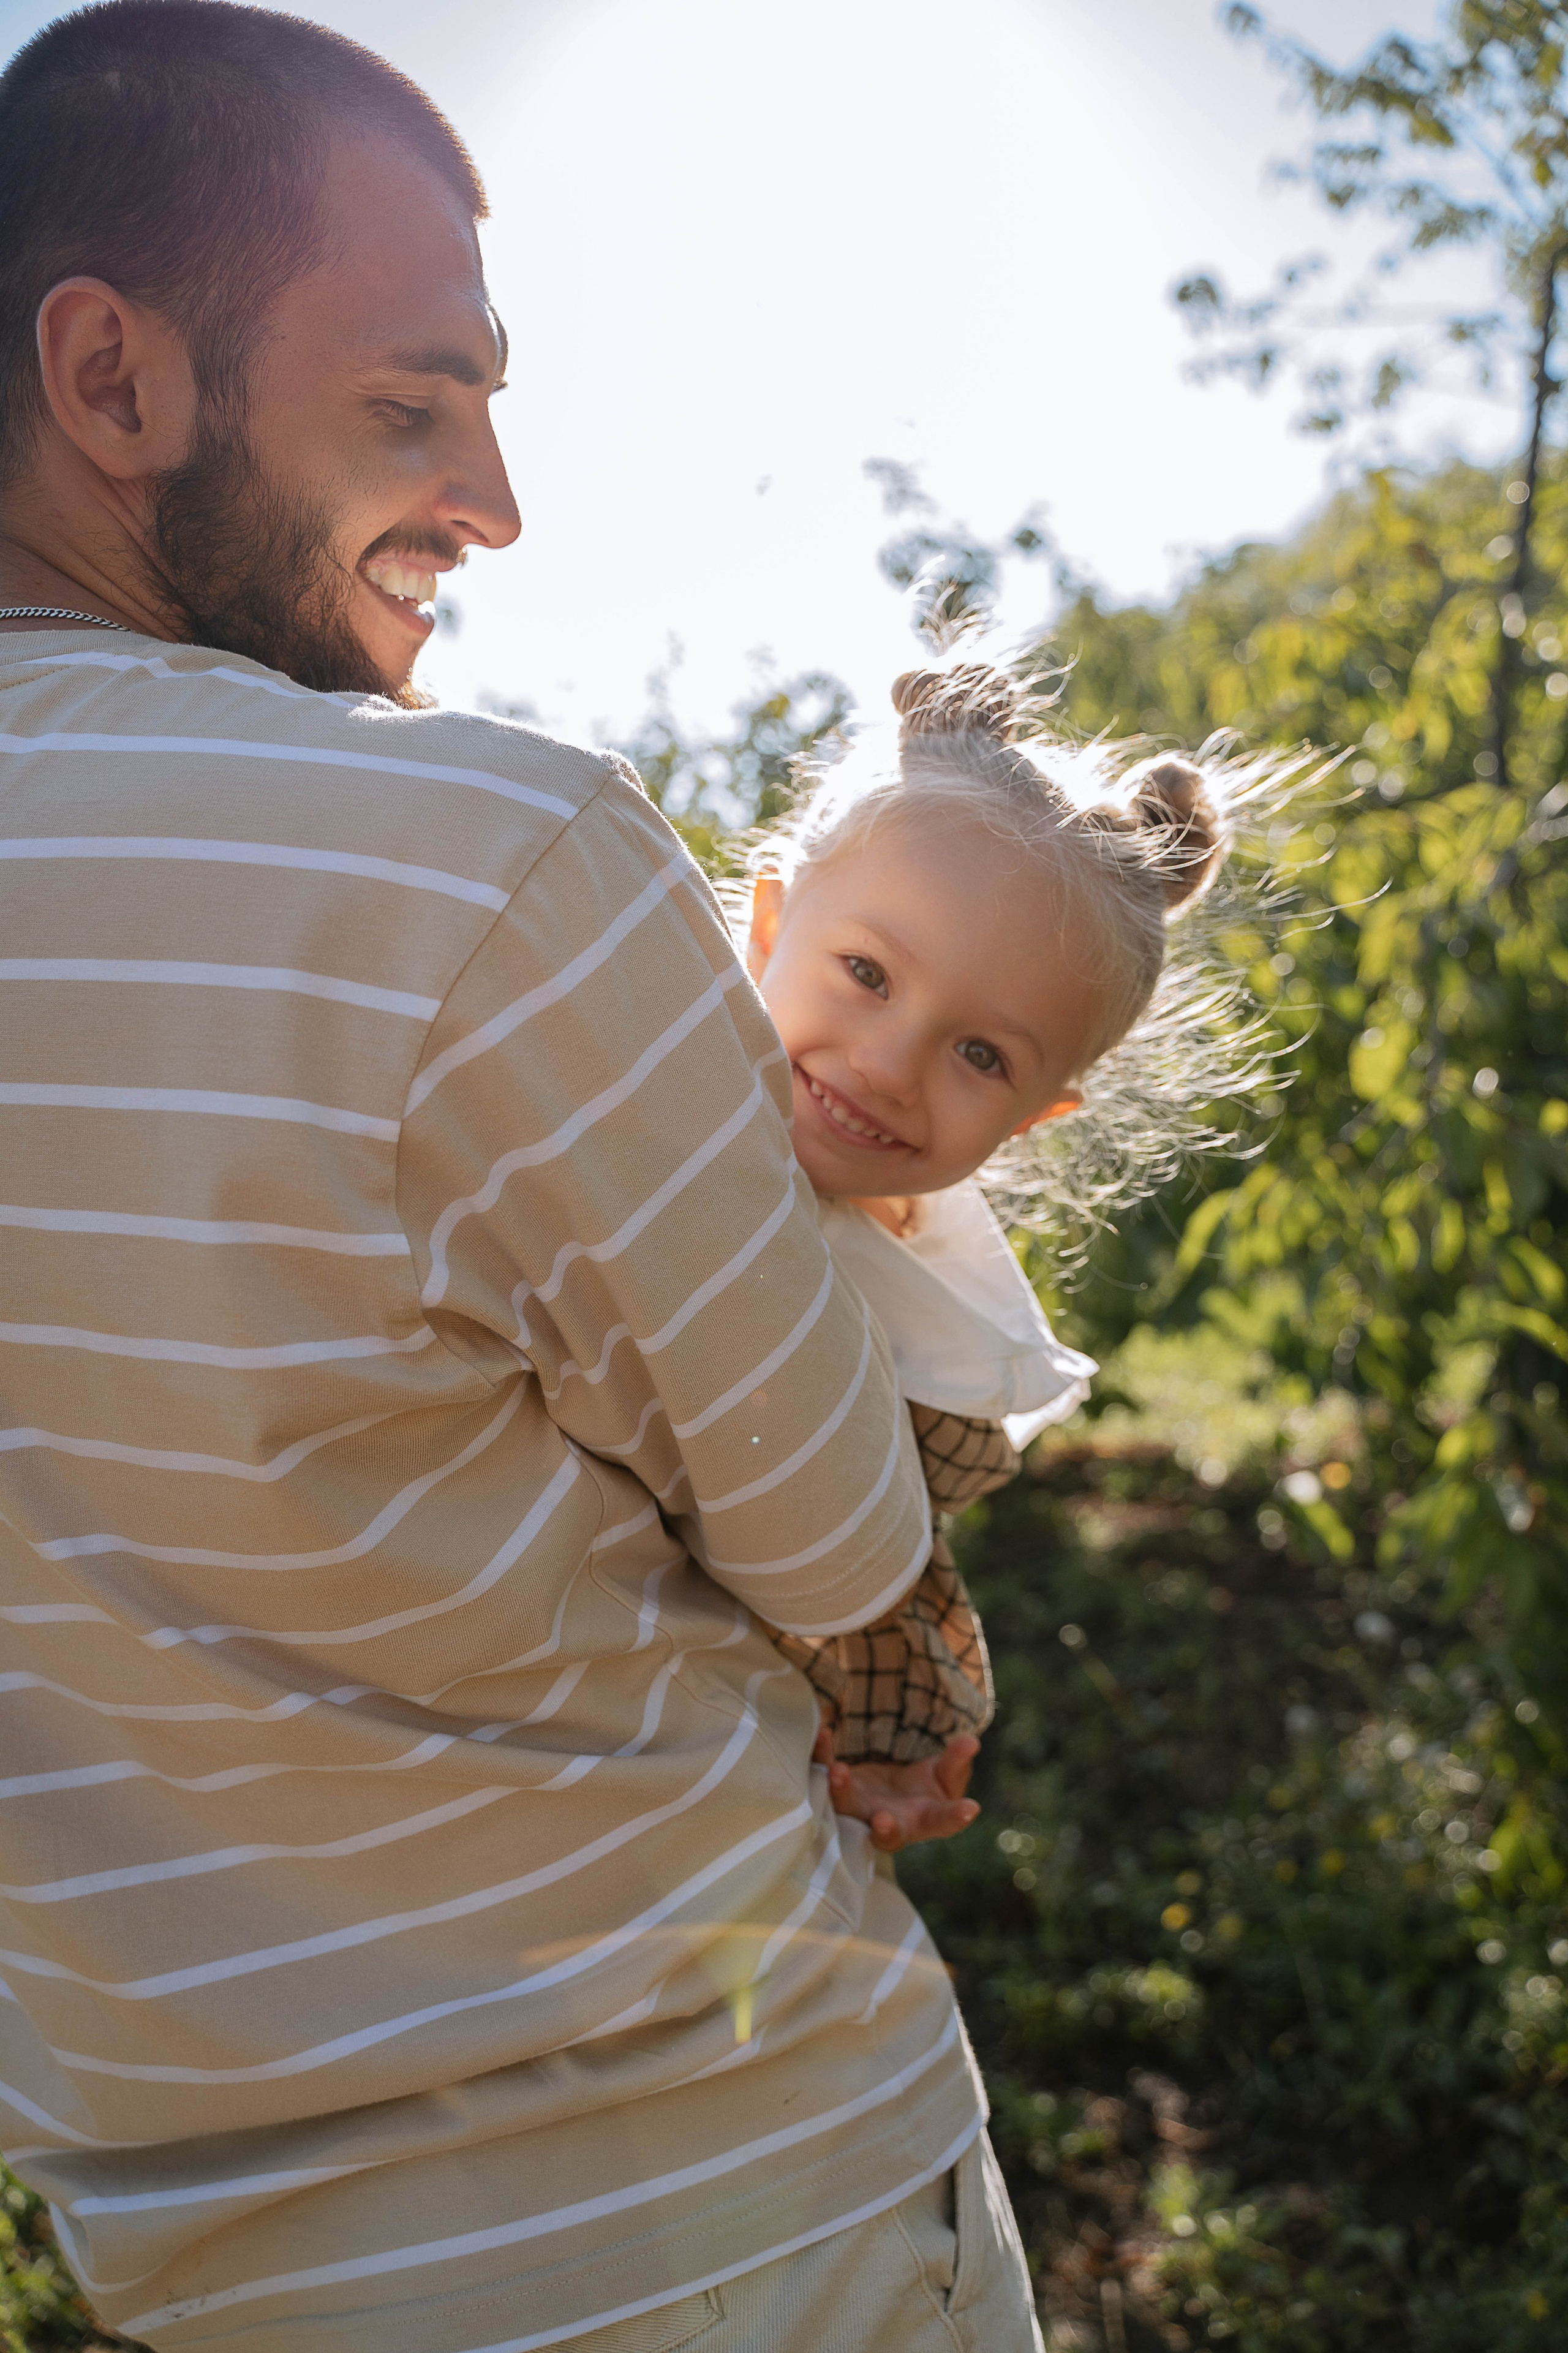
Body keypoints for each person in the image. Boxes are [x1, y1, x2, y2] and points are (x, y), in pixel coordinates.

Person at [0, 7, 1044, 2351]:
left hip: (204, 2289)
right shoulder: (480, 856)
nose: (494, 498)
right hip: (742, 2217)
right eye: (411, 402)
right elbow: (851, 1574)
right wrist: (920, 1668)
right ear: (110, 376)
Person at [738, 662, 1257, 1837]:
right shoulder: (606, 1115)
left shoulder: (923, 1340)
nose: (886, 1061)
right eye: (866, 974)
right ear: (771, 925)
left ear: (1036, 1115)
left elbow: (864, 1614)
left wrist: (879, 1763)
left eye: (981, 1057)